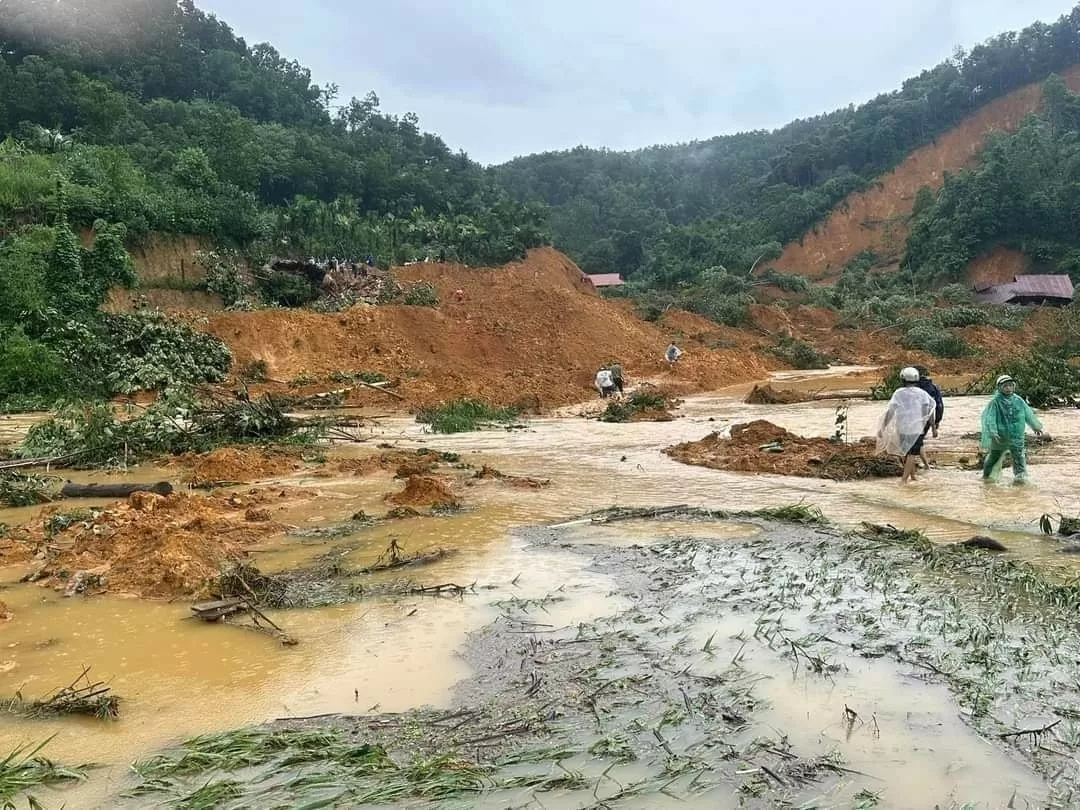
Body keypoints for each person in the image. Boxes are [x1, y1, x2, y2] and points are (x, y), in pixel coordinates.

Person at [876, 366, 937, 484]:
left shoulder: (898, 393)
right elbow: (928, 411)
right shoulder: (922, 394)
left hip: (902, 427)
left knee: (907, 452)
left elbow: (891, 411)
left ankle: (912, 477)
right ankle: (904, 480)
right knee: (912, 454)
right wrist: (933, 427)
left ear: (903, 379)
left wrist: (883, 426)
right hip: (917, 428)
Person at [980, 374, 1044, 484]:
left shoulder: (1018, 400)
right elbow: (990, 418)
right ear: (1000, 388)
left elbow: (1028, 414)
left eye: (1010, 385)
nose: (1008, 388)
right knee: (994, 457)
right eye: (1005, 386)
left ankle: (1020, 479)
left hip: (1017, 436)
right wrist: (993, 432)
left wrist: (1036, 427)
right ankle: (987, 477)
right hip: (1000, 437)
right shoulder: (995, 402)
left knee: (1019, 457)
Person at [915, 365, 944, 469]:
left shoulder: (911, 388)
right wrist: (936, 422)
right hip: (927, 419)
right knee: (919, 441)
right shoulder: (933, 387)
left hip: (912, 419)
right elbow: (939, 405)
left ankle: (922, 466)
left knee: (914, 442)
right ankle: (924, 465)